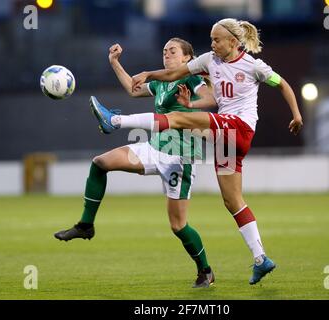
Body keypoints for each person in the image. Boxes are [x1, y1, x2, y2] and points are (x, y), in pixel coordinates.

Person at [89, 18, 303, 285]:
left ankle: (116, 121)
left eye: (216, 39)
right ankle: (261, 259)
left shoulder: (253, 65)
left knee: (179, 118)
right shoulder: (207, 60)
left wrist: (296, 114)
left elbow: (282, 84)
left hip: (240, 127)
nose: (212, 44)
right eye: (211, 38)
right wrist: (150, 74)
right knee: (233, 201)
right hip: (225, 139)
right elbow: (172, 75)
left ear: (233, 42)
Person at [55, 38, 216, 288]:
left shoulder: (191, 77)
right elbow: (133, 88)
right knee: (100, 163)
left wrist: (190, 104)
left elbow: (210, 98)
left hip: (180, 157)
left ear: (187, 58)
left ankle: (205, 271)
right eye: (164, 51)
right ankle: (86, 225)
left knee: (178, 225)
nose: (167, 55)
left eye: (172, 51)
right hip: (153, 149)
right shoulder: (163, 82)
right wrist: (115, 62)